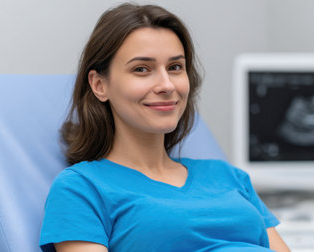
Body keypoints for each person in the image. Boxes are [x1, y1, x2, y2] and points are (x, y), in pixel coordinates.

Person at [39, 3, 290, 252]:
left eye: (175, 67)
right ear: (99, 85)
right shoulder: (82, 188)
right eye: (141, 69)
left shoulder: (228, 176)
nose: (167, 85)